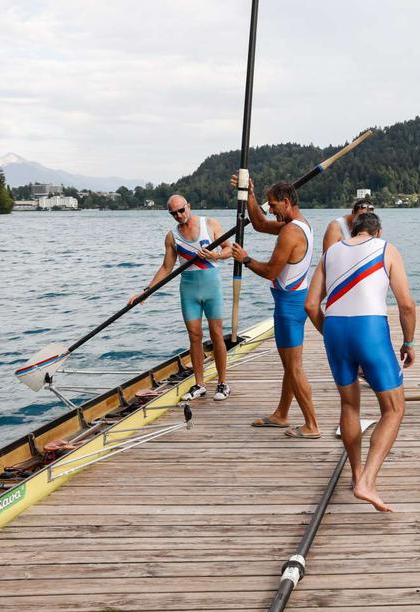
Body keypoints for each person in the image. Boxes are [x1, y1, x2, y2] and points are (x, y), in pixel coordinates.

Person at [305, 212, 416, 512]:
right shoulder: (386, 249)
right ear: (377, 232)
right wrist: (409, 342)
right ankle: (367, 481)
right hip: (370, 330)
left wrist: (329, 332)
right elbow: (406, 304)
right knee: (394, 408)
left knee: (349, 405)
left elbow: (311, 304)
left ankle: (356, 475)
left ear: (353, 230)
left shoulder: (330, 252)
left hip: (335, 330)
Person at [229, 176, 320, 439]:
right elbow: (258, 224)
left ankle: (312, 425)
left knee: (294, 368)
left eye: (273, 205)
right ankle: (281, 414)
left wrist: (244, 259)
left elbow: (270, 272)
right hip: (294, 301)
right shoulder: (299, 224)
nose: (271, 210)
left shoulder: (291, 231)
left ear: (287, 202)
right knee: (290, 365)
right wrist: (249, 194)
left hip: (289, 308)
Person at [131, 195, 231, 401]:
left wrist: (216, 256)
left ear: (189, 207)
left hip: (212, 287)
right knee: (195, 337)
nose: (178, 215)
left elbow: (229, 249)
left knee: (216, 334)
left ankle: (222, 384)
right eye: (173, 213)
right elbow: (166, 267)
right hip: (189, 291)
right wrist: (146, 291)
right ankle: (200, 384)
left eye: (181, 210)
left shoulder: (209, 223)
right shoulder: (172, 237)